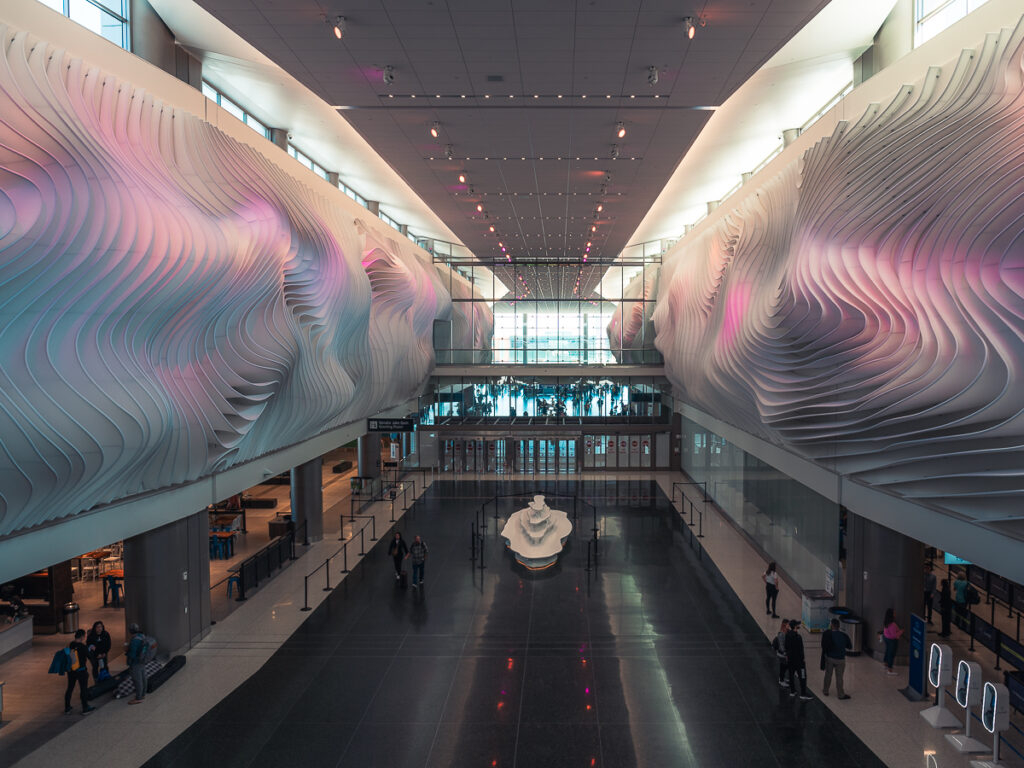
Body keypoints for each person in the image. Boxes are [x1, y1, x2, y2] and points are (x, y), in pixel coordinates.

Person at [65, 629, 95, 714]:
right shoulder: (83, 647)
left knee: (70, 688)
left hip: (71, 671)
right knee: (83, 689)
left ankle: (67, 707)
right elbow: (90, 657)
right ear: (82, 637)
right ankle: (85, 708)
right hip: (81, 671)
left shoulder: (70, 644)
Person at [821, 618, 852, 699]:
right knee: (839, 677)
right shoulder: (844, 635)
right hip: (841, 659)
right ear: (838, 626)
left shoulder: (828, 634)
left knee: (828, 674)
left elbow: (824, 646)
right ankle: (841, 694)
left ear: (831, 625)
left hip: (830, 658)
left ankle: (825, 690)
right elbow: (849, 646)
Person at [785, 620, 813, 699]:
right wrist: (803, 659)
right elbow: (801, 650)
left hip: (790, 660)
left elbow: (786, 647)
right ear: (795, 626)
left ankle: (792, 691)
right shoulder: (798, 637)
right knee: (803, 676)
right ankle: (803, 694)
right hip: (799, 661)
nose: (798, 626)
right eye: (797, 625)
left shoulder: (787, 635)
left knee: (791, 675)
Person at [126, 623, 149, 704]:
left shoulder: (134, 640)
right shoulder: (143, 636)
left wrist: (126, 651)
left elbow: (132, 654)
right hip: (142, 660)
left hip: (135, 662)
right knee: (143, 677)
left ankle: (138, 698)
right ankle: (143, 694)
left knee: (137, 680)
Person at [881, 609, 903, 676]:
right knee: (891, 654)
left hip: (886, 638)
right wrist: (901, 631)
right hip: (892, 640)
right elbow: (895, 635)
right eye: (894, 613)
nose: (895, 614)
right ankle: (890, 669)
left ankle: (885, 664)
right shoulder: (892, 625)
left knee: (887, 651)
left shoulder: (886, 622)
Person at [771, 618, 789, 688]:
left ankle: (782, 678)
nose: (789, 625)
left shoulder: (786, 632)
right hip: (782, 654)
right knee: (783, 667)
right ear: (785, 625)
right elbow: (781, 645)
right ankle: (781, 680)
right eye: (788, 624)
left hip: (783, 654)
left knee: (784, 666)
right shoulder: (782, 634)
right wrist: (785, 653)